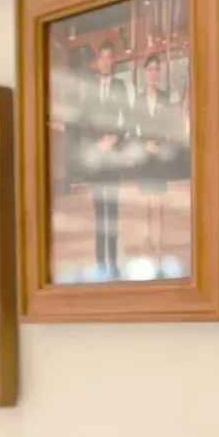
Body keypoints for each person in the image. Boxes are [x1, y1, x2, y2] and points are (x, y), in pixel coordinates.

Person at [79, 39, 130, 279]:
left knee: (113, 210)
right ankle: (100, 262)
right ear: (97, 61)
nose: (105, 62)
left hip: (113, 157)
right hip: (96, 158)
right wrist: (96, 143)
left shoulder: (120, 87)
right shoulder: (90, 87)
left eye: (109, 57)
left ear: (113, 61)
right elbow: (84, 120)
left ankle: (114, 261)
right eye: (102, 57)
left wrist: (114, 139)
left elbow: (128, 119)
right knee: (99, 212)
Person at [130, 54, 175, 274]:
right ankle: (147, 242)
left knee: (158, 202)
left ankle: (158, 245)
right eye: (150, 70)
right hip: (144, 156)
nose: (153, 74)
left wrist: (163, 142)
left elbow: (170, 126)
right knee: (146, 203)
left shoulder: (165, 97)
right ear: (144, 72)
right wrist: (144, 144)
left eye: (156, 69)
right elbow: (133, 129)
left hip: (159, 155)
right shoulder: (138, 100)